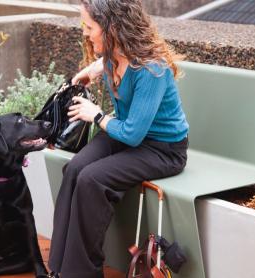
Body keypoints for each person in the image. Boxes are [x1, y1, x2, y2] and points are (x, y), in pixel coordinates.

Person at [47, 0, 189, 277]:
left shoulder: (152, 70)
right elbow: (111, 63)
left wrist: (97, 116)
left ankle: (81, 273)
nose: (85, 33)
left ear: (112, 27)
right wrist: (93, 69)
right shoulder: (114, 54)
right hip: (125, 132)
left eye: (89, 26)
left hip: (163, 149)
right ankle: (59, 266)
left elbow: (134, 135)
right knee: (75, 168)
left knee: (92, 179)